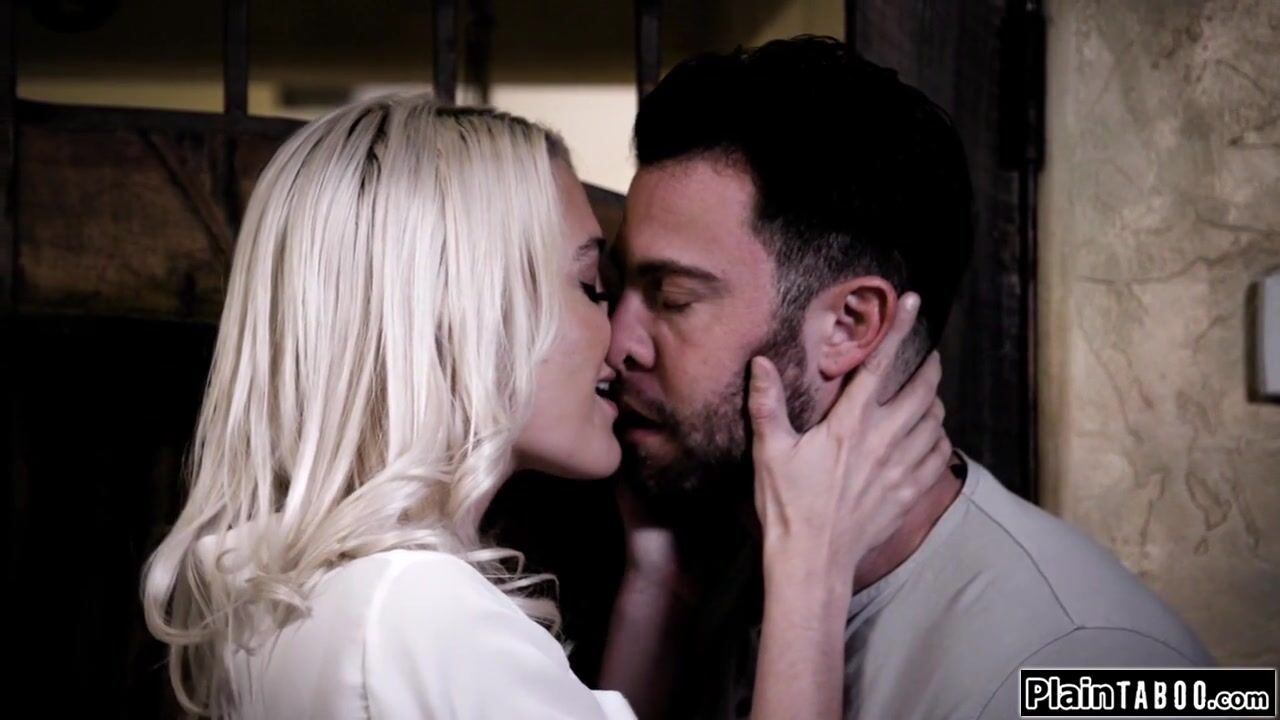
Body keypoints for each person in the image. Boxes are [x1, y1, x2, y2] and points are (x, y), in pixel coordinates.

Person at [141, 93, 948, 719]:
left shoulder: (279, 594)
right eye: (592, 285)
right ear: (466, 314)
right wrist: (811, 567)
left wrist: (654, 584)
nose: (620, 337)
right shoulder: (419, 617)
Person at [602, 36, 1214, 720]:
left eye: (673, 297)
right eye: (615, 286)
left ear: (849, 324)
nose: (617, 343)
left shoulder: (1080, 662)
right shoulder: (720, 570)